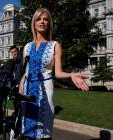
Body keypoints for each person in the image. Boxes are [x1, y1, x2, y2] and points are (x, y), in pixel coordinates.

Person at [18, 8, 89, 140]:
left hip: (44, 91)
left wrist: (71, 75)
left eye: (45, 19)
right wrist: (20, 89)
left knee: (43, 132)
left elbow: (58, 73)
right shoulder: (27, 47)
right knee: (27, 131)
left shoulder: (55, 45)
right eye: (39, 19)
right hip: (27, 92)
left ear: (49, 24)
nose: (42, 22)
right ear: (34, 23)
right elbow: (25, 71)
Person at [9, 46, 23, 117]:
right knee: (15, 103)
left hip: (20, 85)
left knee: (20, 103)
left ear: (17, 51)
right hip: (13, 84)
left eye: (15, 51)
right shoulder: (12, 61)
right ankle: (17, 117)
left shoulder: (21, 60)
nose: (14, 53)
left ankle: (20, 119)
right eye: (12, 52)